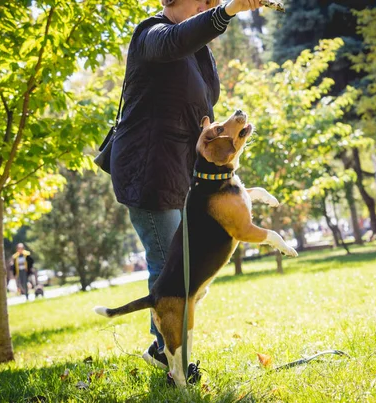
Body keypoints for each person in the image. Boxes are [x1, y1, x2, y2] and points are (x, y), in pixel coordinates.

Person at [110, 0, 262, 370]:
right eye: (203, 1)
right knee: (169, 264)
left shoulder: (199, 53)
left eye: (213, 1)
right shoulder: (152, 35)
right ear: (171, 2)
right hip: (149, 173)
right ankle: (170, 357)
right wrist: (225, 12)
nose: (209, 5)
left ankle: (160, 349)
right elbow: (175, 40)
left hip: (180, 173)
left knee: (178, 268)